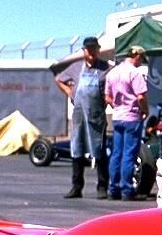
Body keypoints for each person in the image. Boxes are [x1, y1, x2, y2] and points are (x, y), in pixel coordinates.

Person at [54, 36, 111, 198]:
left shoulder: (105, 68)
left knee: (99, 151)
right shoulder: (76, 68)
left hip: (96, 116)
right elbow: (59, 79)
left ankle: (102, 187)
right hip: (79, 115)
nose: (91, 52)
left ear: (98, 50)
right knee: (77, 150)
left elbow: (111, 87)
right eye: (88, 49)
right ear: (84, 51)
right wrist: (69, 93)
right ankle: (76, 187)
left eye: (94, 48)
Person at [105, 44, 149, 201]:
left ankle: (113, 188)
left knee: (117, 153)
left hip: (118, 117)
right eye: (141, 59)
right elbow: (141, 97)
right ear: (137, 56)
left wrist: (117, 106)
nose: (141, 62)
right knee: (129, 154)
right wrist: (145, 110)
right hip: (132, 117)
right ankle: (126, 189)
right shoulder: (135, 73)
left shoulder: (113, 73)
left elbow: (107, 97)